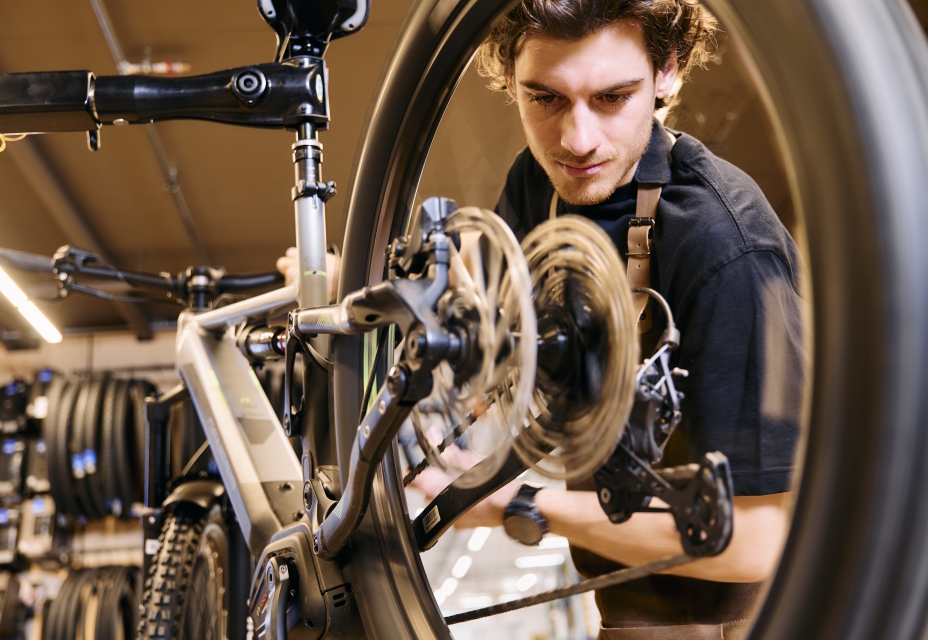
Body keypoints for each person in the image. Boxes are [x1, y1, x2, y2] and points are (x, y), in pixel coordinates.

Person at [279, 1, 807, 636]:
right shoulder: (545, 185)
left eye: (613, 97)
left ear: (667, 71)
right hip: (634, 608)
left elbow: (761, 540)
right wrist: (369, 289)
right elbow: (506, 317)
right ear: (511, 78)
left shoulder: (726, 247)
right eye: (546, 99)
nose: (578, 139)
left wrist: (521, 506)